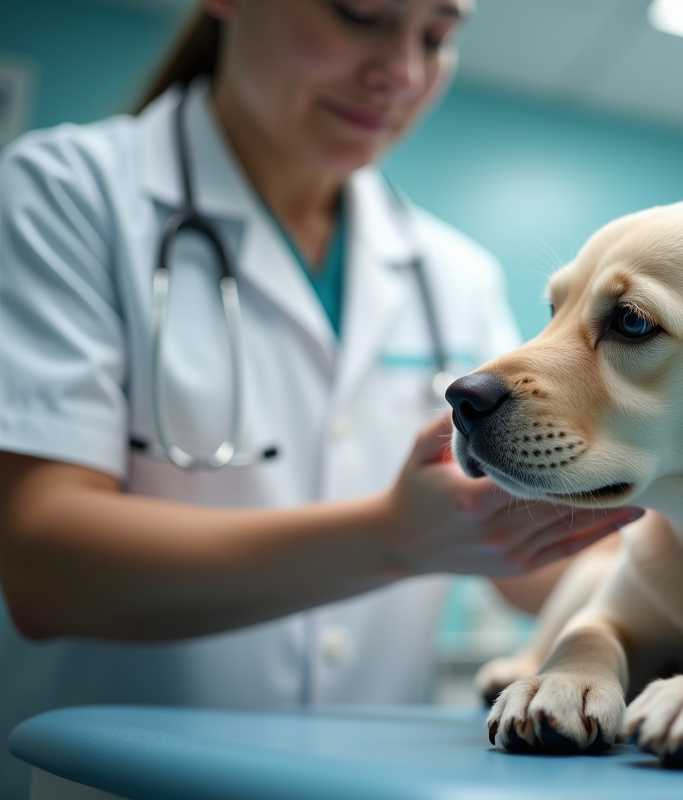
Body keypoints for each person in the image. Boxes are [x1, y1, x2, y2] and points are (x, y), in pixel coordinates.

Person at [0, 1, 640, 795]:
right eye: (361, 15)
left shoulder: (452, 275)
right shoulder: (69, 192)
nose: (403, 74)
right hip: (122, 779)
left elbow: (524, 569)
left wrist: (672, 566)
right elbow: (42, 566)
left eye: (437, 38)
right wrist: (391, 538)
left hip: (362, 779)